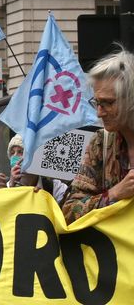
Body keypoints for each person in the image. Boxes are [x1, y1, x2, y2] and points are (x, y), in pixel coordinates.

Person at [63, 49, 134, 223]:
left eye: (108, 103)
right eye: (97, 103)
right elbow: (70, 211)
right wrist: (114, 194)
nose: (99, 113)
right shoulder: (100, 143)